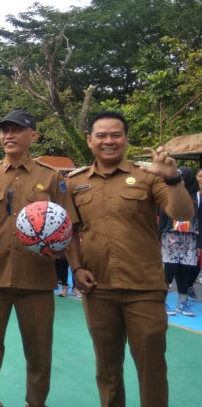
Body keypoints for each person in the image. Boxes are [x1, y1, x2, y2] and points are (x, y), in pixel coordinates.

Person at [65, 111, 194, 407]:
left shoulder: (150, 176)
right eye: (101, 135)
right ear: (89, 141)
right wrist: (76, 267)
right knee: (107, 369)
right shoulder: (75, 182)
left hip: (144, 289)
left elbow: (183, 213)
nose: (108, 141)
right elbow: (69, 230)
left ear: (125, 139)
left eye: (116, 135)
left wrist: (173, 178)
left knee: (151, 366)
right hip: (98, 289)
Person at [0, 109, 76, 407]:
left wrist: (78, 266)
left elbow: (68, 227)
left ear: (33, 135)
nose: (8, 135)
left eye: (17, 129)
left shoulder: (51, 178)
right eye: (4, 130)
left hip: (35, 280)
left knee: (39, 353)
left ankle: (35, 403)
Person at [159, 166, 200, 316]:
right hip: (171, 235)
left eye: (183, 177)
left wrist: (200, 242)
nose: (181, 180)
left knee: (185, 269)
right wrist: (158, 234)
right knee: (170, 268)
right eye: (179, 177)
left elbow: (200, 219)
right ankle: (160, 301)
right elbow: (162, 215)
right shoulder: (169, 192)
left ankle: (183, 303)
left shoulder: (197, 195)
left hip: (190, 237)